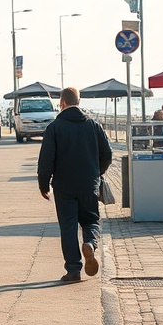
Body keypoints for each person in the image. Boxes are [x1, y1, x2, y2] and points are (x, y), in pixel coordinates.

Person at [37, 87, 113, 283]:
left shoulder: (54, 128)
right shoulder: (93, 126)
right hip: (89, 183)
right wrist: (97, 172)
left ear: (61, 103)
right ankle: (90, 243)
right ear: (78, 102)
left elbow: (46, 160)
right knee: (91, 220)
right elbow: (107, 155)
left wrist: (44, 185)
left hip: (64, 186)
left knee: (68, 226)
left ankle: (73, 270)